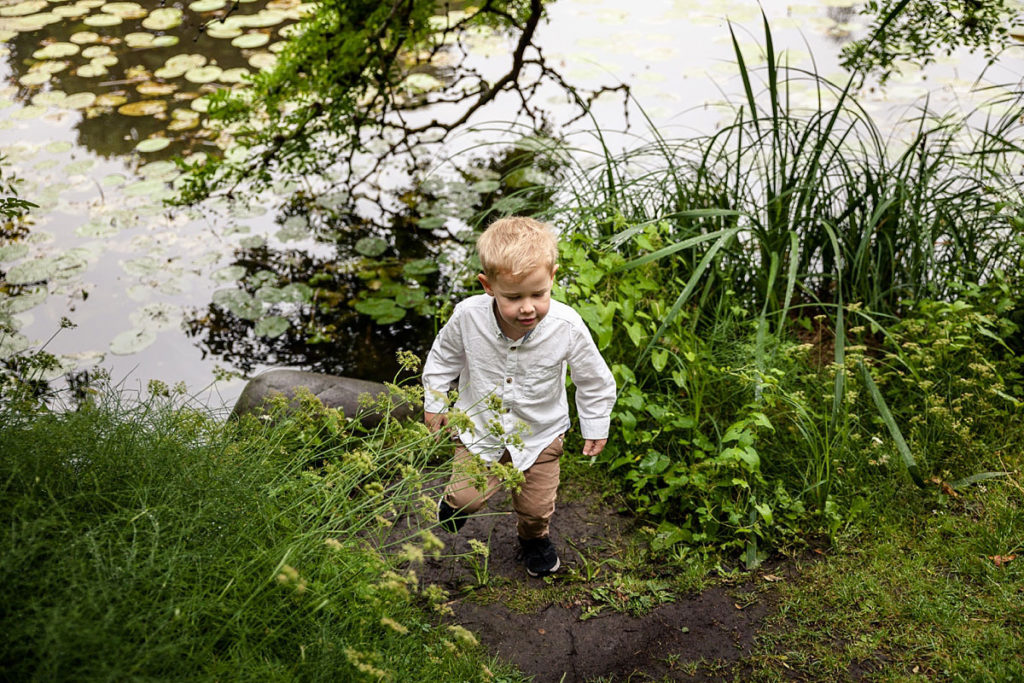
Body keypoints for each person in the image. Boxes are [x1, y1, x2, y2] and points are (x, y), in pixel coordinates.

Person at [421, 216, 616, 577]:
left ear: (553, 277)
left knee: (536, 507)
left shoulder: (567, 326)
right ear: (488, 285)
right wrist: (435, 403)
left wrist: (595, 424)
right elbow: (442, 358)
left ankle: (534, 539)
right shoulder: (468, 317)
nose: (527, 308)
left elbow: (594, 380)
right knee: (469, 497)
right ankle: (454, 504)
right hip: (480, 430)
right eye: (514, 297)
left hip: (540, 435)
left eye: (538, 294)